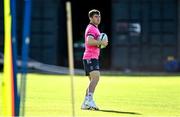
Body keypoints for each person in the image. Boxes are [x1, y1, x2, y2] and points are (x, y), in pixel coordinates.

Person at [81, 9, 108, 110]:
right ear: (91, 18)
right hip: (90, 57)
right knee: (96, 78)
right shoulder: (91, 28)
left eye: (99, 17)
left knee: (92, 81)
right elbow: (89, 41)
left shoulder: (95, 29)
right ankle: (90, 100)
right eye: (96, 17)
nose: (98, 18)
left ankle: (85, 103)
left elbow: (96, 42)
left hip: (92, 57)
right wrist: (102, 42)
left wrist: (102, 43)